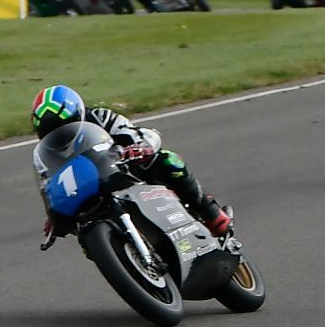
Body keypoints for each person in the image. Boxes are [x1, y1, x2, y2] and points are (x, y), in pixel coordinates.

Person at [31, 85, 231, 237]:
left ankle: (210, 211)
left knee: (167, 160)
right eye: (49, 131)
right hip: (88, 190)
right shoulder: (42, 156)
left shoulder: (101, 117)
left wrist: (139, 148)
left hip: (123, 170)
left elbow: (139, 135)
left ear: (79, 115)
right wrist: (52, 215)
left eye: (65, 126)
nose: (60, 135)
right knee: (77, 228)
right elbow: (46, 187)